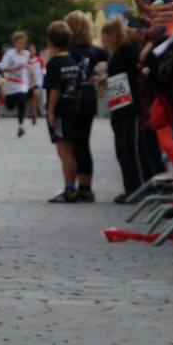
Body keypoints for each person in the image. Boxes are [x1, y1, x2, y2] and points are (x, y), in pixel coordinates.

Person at [59, 11, 109, 202]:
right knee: (84, 143)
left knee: (72, 144)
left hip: (73, 98)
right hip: (89, 96)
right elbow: (112, 56)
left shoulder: (68, 51)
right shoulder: (94, 51)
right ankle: (86, 186)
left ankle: (74, 184)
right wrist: (102, 76)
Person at [100, 17, 145, 201]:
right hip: (119, 104)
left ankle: (135, 188)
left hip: (128, 104)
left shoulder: (124, 51)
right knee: (121, 149)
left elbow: (139, 63)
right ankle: (130, 188)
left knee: (127, 148)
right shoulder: (116, 54)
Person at [43, 20, 82, 202]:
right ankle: (72, 187)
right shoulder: (72, 61)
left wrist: (50, 111)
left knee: (64, 151)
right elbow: (79, 87)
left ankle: (69, 189)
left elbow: (54, 89)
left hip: (60, 111)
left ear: (50, 42)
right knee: (71, 150)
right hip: (73, 107)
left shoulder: (54, 63)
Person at [0, 30, 34, 136]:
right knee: (10, 106)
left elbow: (27, 65)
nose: (21, 45)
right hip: (11, 85)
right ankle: (8, 102)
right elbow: (2, 68)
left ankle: (21, 125)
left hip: (22, 84)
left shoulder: (27, 54)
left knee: (22, 101)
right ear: (15, 43)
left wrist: (30, 69)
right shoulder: (10, 54)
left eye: (23, 43)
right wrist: (14, 68)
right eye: (19, 42)